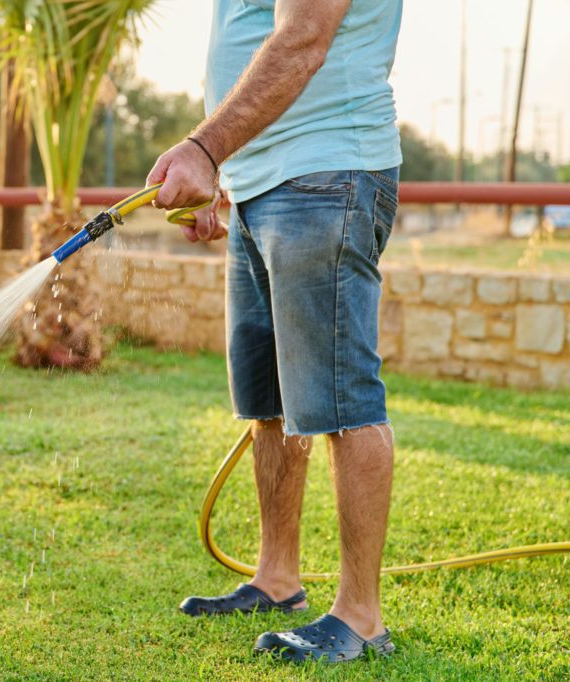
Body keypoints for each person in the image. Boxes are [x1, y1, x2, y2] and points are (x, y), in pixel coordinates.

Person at [146, 0, 403, 664]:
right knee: (270, 404)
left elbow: (303, 39)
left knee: (344, 403)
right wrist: (223, 178)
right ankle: (277, 578)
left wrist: (204, 149)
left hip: (326, 174)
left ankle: (361, 618)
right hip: (260, 184)